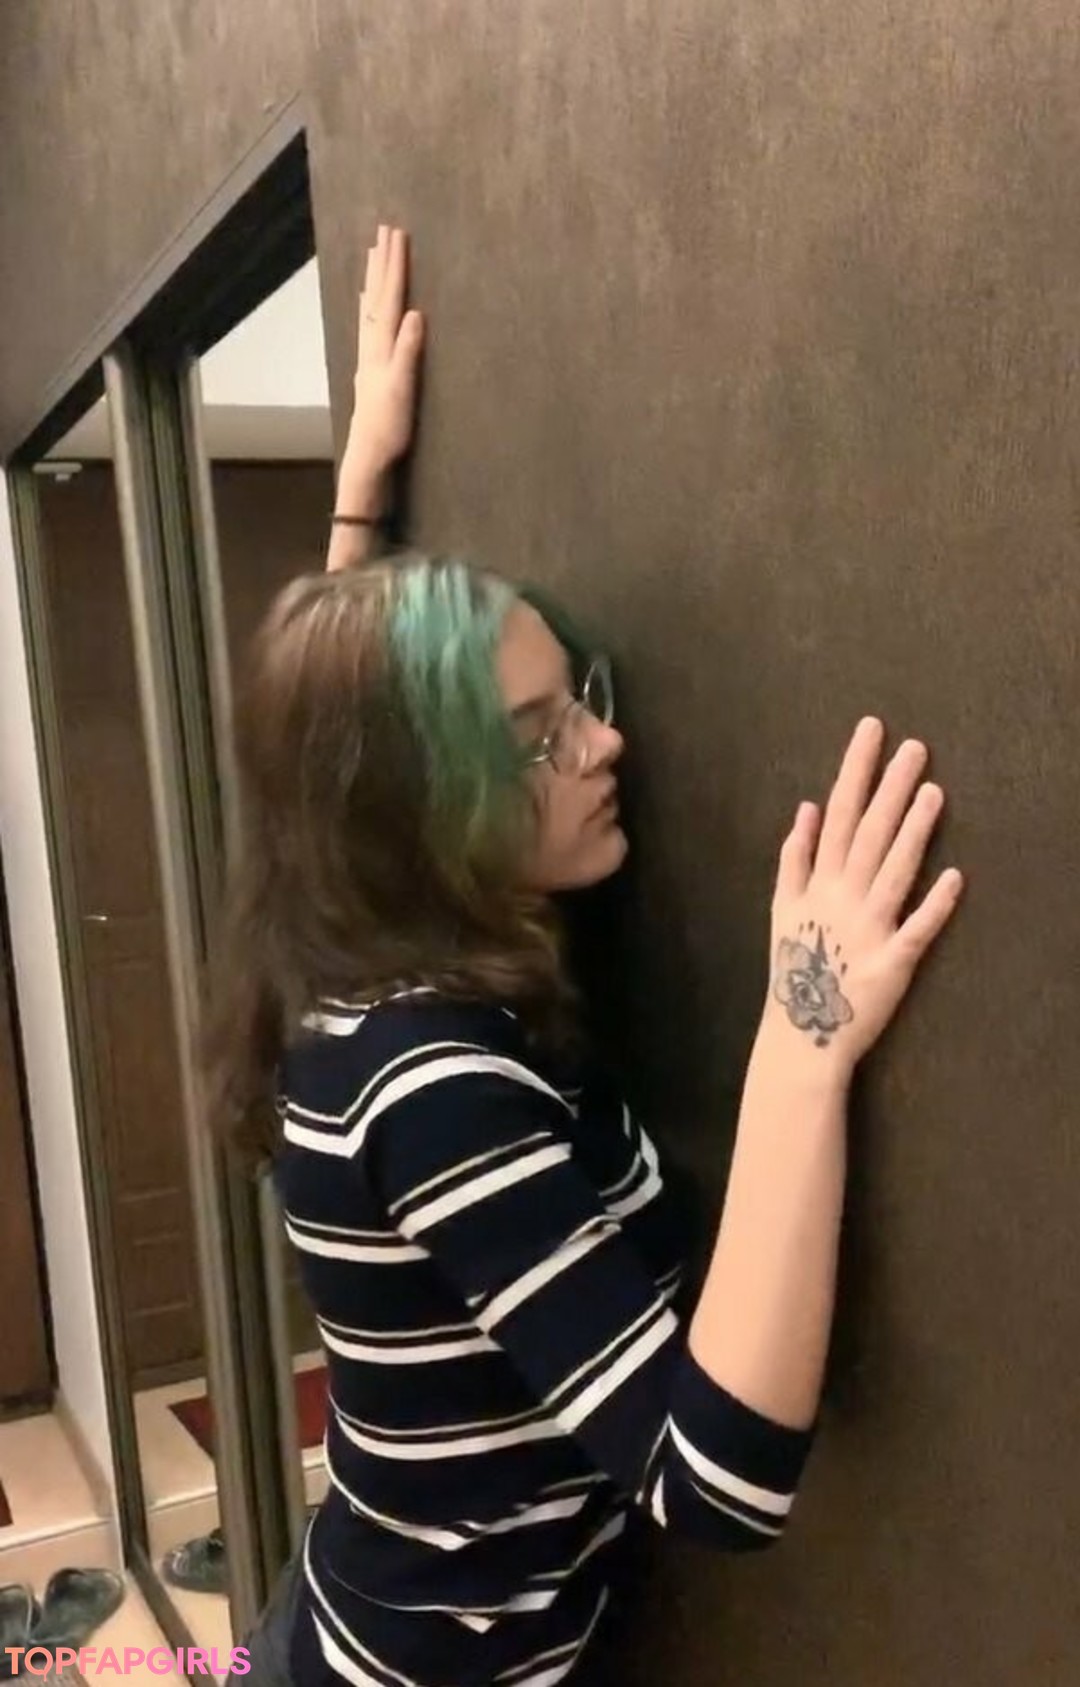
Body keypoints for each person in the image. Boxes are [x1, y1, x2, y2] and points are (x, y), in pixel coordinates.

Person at [210, 225, 964, 1687]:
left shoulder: (337, 943)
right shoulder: (429, 1090)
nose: (604, 745)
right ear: (428, 807)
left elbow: (325, 761)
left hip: (347, 1604)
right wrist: (805, 1028)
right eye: (541, 739)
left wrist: (362, 492)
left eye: (579, 699)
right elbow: (712, 1482)